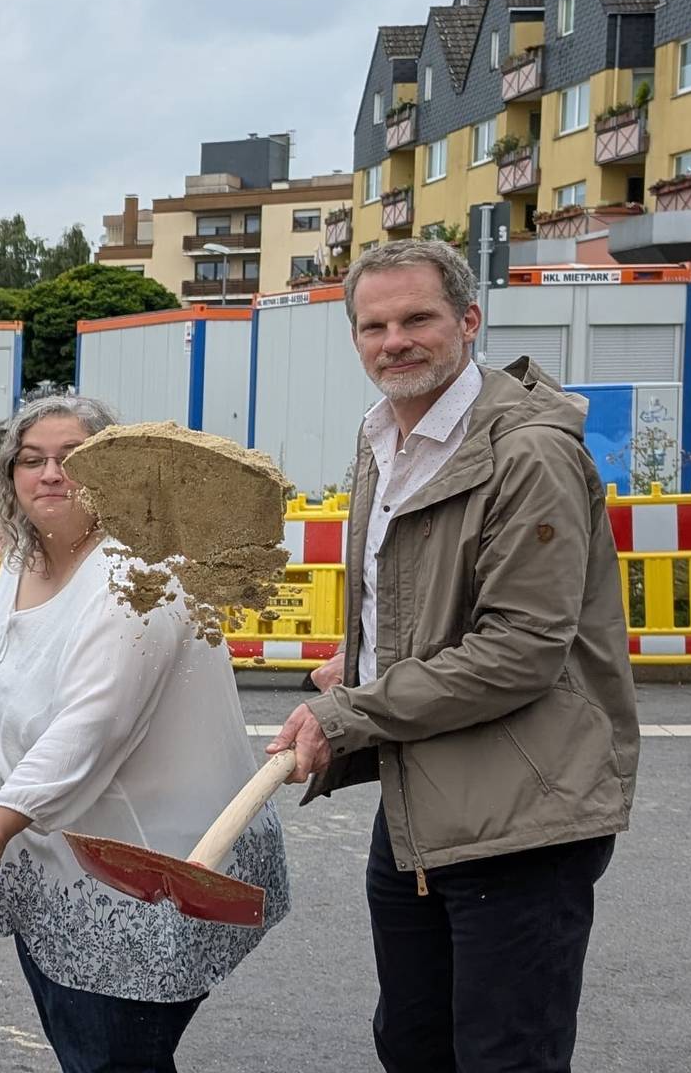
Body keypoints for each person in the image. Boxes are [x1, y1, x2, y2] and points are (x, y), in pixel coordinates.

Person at [268, 240, 636, 1073]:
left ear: (468, 323)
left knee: (505, 1058)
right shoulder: (383, 439)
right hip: (419, 803)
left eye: (417, 319)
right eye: (374, 325)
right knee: (414, 1047)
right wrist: (352, 664)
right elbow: (415, 603)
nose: (394, 340)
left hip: (521, 811)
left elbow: (519, 651)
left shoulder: (528, 454)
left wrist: (349, 711)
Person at [0, 396, 288, 1072]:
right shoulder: (24, 559)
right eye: (32, 459)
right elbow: (0, 678)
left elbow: (94, 724)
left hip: (147, 867)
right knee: (86, 1054)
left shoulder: (141, 574)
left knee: (114, 1060)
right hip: (53, 852)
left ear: (118, 472)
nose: (50, 474)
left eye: (72, 458)